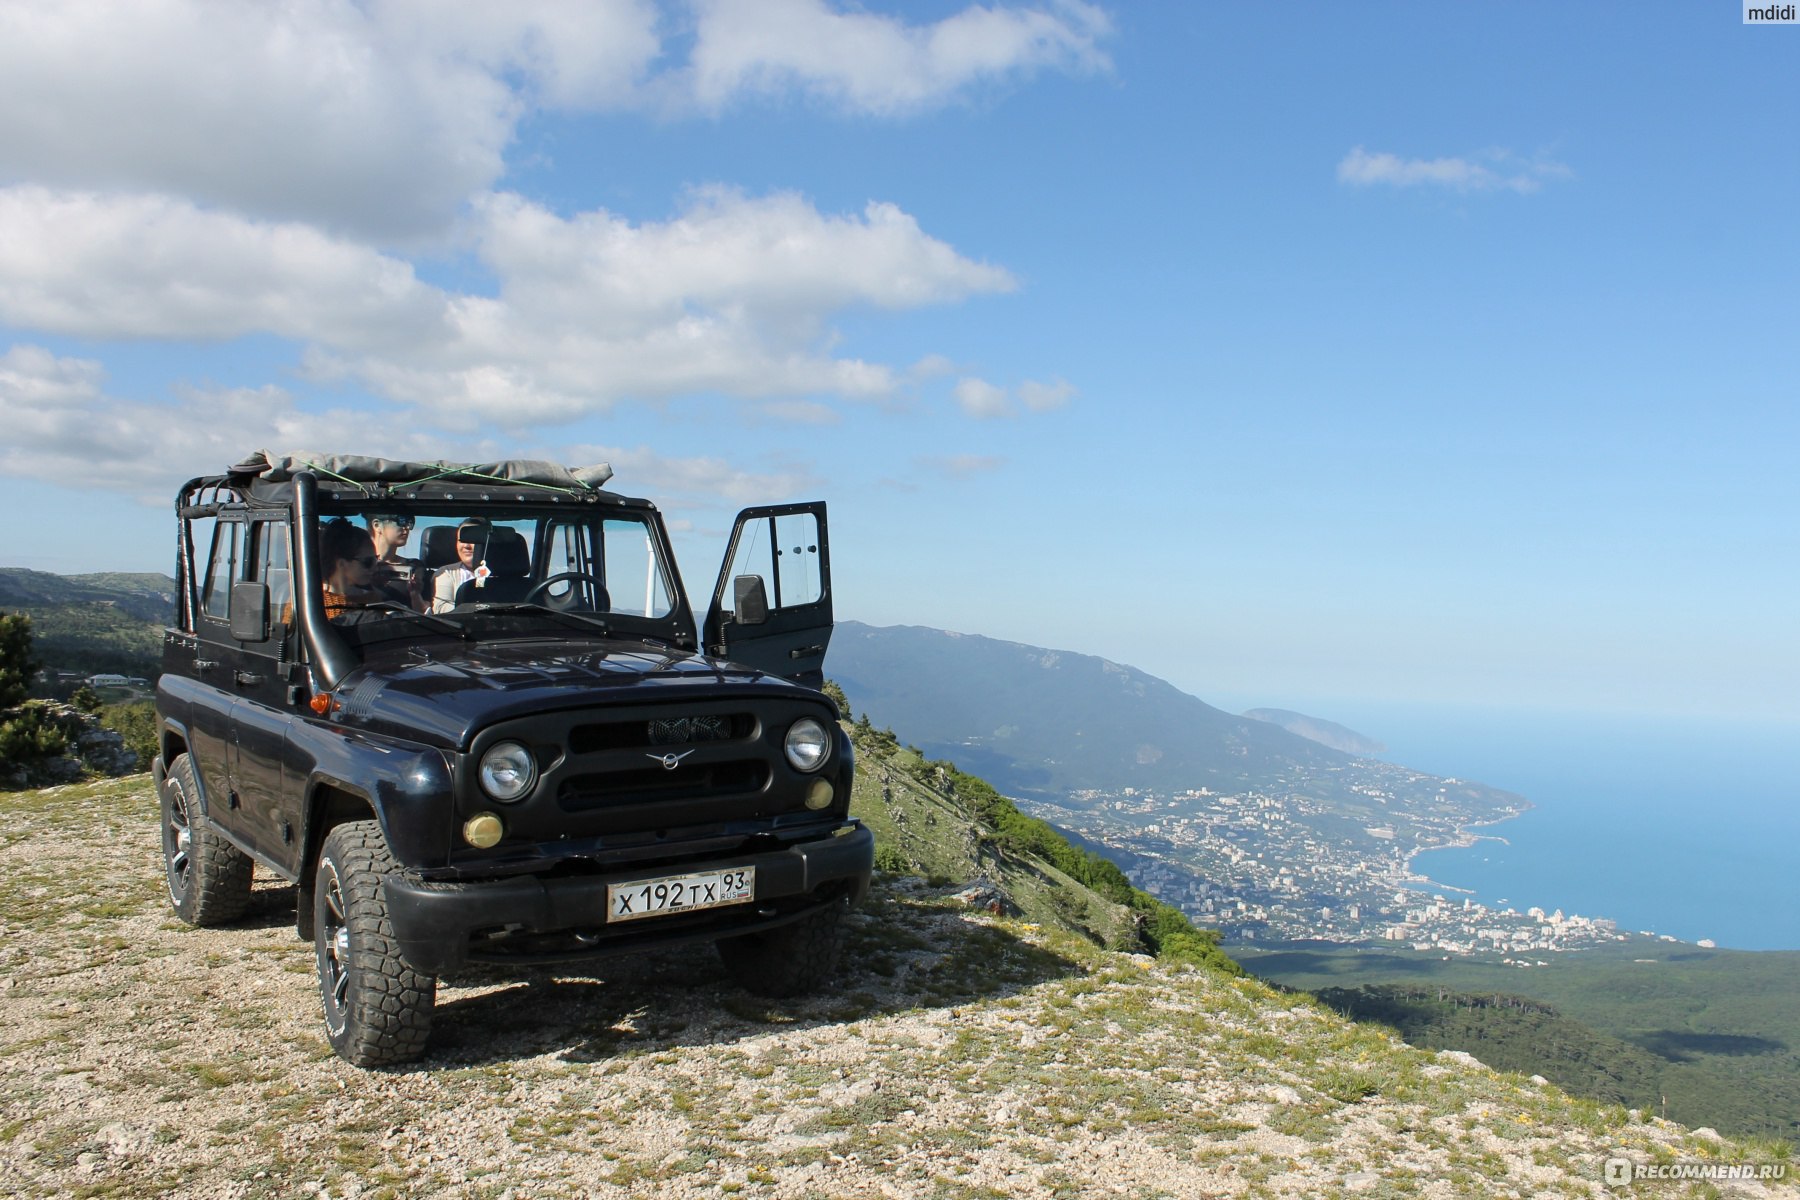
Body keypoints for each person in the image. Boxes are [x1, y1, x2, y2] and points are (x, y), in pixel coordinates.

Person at [319, 518, 379, 619]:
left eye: (376, 560)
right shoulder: (311, 605)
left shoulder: (373, 598)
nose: (375, 568)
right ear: (342, 563)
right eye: (367, 562)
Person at [431, 518, 491, 613]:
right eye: (461, 540)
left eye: (472, 539)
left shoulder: (503, 575)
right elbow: (440, 609)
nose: (466, 546)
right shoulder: (446, 573)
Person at [365, 513, 420, 609]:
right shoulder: (358, 566)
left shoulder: (415, 567)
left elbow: (424, 612)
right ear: (377, 525)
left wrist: (415, 594)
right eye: (401, 521)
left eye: (410, 522)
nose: (407, 527)